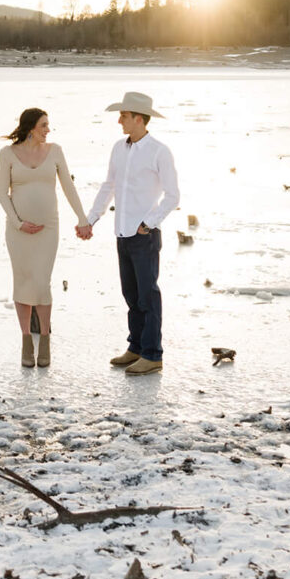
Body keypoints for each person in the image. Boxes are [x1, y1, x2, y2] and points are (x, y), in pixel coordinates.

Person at [79, 91, 180, 375]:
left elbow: (173, 196)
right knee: (131, 295)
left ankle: (152, 354)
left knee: (148, 295)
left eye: (123, 115)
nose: (119, 120)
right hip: (121, 233)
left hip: (145, 235)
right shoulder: (118, 148)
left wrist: (149, 222)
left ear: (138, 118)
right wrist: (91, 219)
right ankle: (135, 348)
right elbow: (108, 186)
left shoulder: (159, 151)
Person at [0, 107, 91, 367]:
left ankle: (45, 338)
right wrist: (18, 223)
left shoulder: (56, 151)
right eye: (44, 125)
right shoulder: (7, 154)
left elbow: (68, 187)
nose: (48, 130)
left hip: (48, 228)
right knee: (22, 281)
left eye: (48, 125)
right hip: (18, 231)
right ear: (30, 128)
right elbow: (2, 194)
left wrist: (82, 218)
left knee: (41, 282)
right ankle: (27, 341)